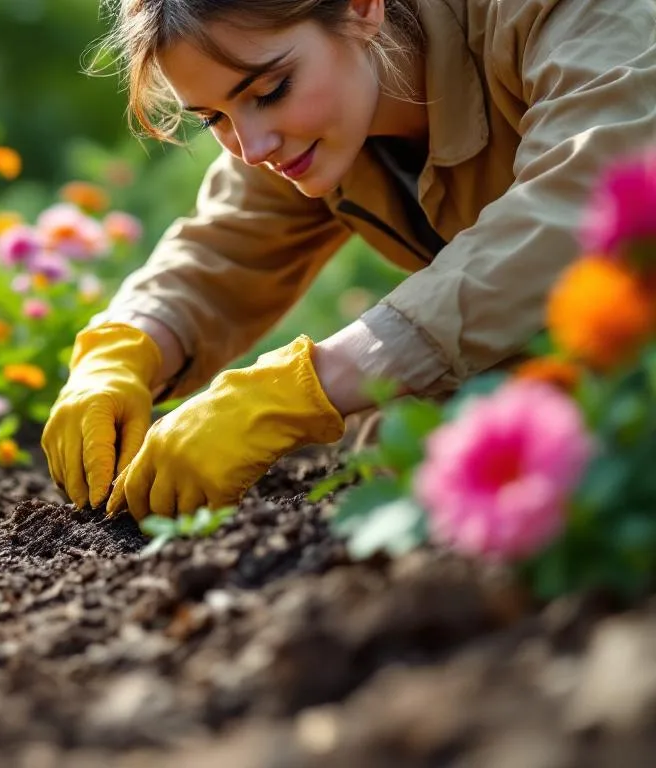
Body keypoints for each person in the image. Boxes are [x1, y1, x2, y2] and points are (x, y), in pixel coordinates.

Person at [42, 0, 656, 521]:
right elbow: (226, 246)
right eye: (214, 119)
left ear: (361, 7)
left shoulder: (569, 13)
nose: (251, 148)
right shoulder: (312, 111)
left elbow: (584, 201)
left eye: (268, 91)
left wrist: (311, 383)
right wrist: (121, 350)